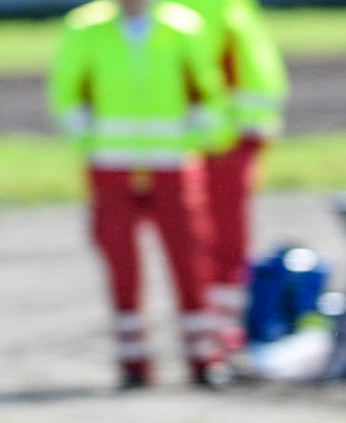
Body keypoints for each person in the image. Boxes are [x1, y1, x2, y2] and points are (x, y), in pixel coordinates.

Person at [49, 0, 234, 388]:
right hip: (112, 166)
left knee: (190, 257)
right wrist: (89, 142)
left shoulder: (183, 26)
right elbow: (66, 89)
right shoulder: (85, 27)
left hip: (171, 165)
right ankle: (133, 361)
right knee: (121, 262)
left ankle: (204, 357)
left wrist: (198, 141)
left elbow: (207, 90)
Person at [180, 0, 289, 351]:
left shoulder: (227, 8)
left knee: (223, 239)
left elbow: (257, 72)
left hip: (224, 140)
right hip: (207, 143)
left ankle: (222, 328)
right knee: (208, 239)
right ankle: (216, 329)